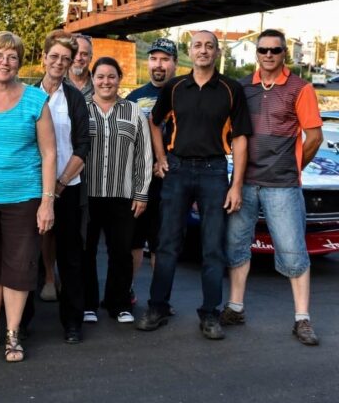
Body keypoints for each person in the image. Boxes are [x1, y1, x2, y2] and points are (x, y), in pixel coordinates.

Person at [136, 30, 252, 340]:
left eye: (209, 46)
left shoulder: (231, 89)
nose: (203, 51)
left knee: (213, 247)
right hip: (178, 169)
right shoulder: (175, 87)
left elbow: (240, 139)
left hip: (215, 172)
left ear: (216, 52)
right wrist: (160, 157)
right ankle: (158, 307)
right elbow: (154, 122)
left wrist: (236, 184)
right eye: (197, 45)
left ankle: (210, 314)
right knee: (167, 243)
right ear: (191, 51)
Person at [223, 30, 323, 345]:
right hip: (245, 182)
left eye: (275, 50)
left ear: (284, 54)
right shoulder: (241, 87)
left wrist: (293, 167)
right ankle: (235, 308)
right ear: (257, 53)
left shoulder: (300, 88)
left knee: (293, 251)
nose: (269, 55)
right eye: (263, 50)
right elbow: (228, 132)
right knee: (237, 246)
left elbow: (315, 137)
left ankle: (302, 319)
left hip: (282, 185)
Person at [0, 32, 56, 363]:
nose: (5, 62)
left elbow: (49, 153)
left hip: (24, 197)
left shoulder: (35, 101)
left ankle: (13, 334)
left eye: (12, 57)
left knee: (19, 266)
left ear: (20, 62)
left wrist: (47, 201)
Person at [83, 57, 152, 324]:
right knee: (86, 252)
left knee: (121, 251)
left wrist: (141, 192)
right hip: (87, 195)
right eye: (100, 76)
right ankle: (88, 304)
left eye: (111, 76)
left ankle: (119, 303)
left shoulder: (134, 111)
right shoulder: (82, 109)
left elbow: (143, 155)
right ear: (93, 79)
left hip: (122, 195)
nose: (106, 82)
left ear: (119, 79)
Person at [36, 30, 90, 342]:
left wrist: (59, 183)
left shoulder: (75, 99)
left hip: (67, 186)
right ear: (44, 58)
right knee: (28, 255)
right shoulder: (29, 94)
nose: (59, 62)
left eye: (65, 59)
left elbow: (83, 146)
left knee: (70, 256)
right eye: (54, 56)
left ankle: (72, 322)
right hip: (33, 186)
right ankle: (23, 321)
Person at [126, 37, 178, 299]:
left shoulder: (183, 92)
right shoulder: (134, 97)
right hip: (140, 180)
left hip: (171, 179)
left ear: (175, 64)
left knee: (162, 243)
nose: (159, 65)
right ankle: (128, 290)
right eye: (155, 59)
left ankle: (160, 298)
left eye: (165, 60)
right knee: (134, 240)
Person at [67, 34, 94, 103]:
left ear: (90, 58)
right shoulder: (57, 82)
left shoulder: (100, 84)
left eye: (84, 54)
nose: (78, 58)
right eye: (74, 53)